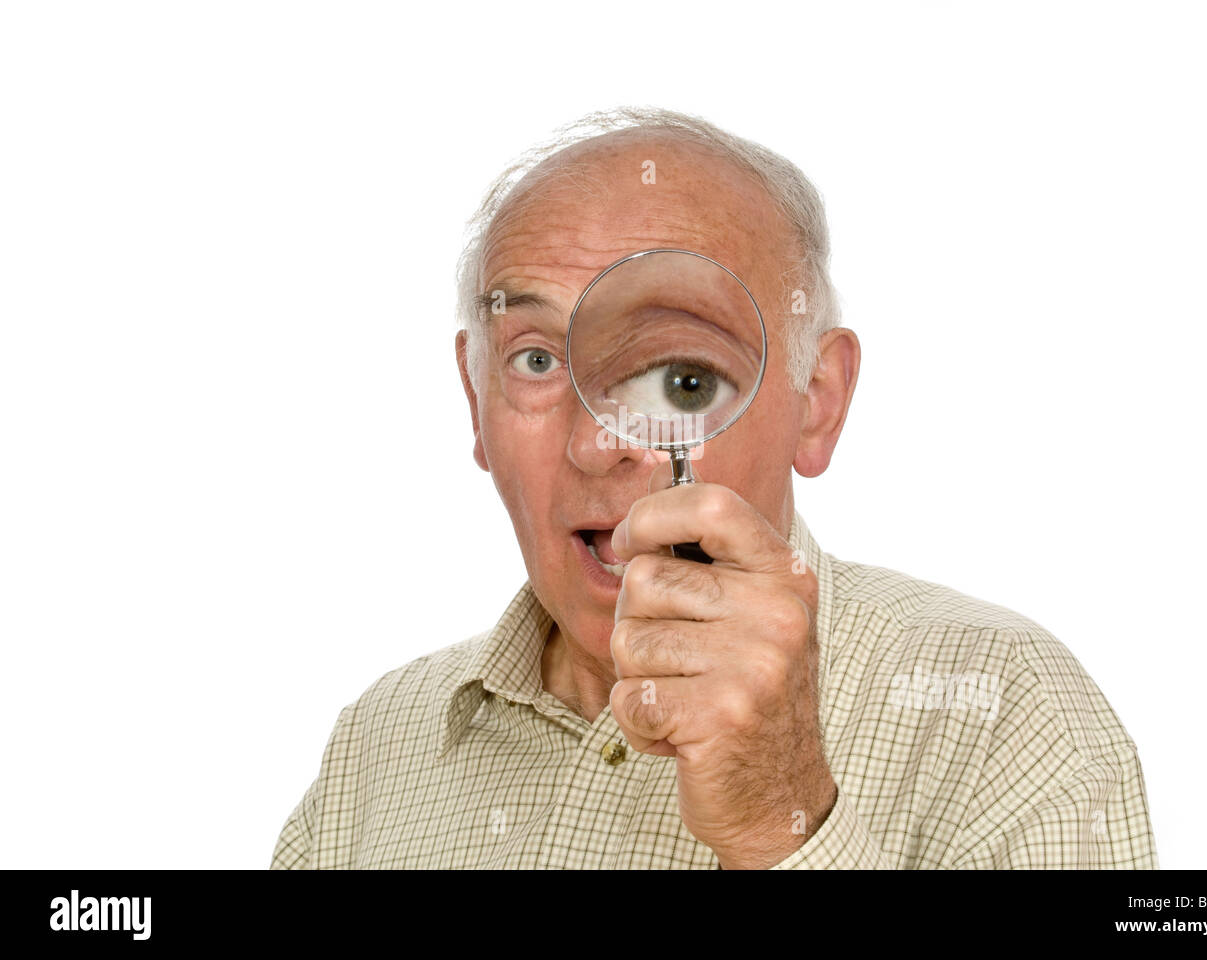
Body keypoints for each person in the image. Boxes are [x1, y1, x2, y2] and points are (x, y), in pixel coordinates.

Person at [271, 107, 1158, 869]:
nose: (596, 444)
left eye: (681, 380)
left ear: (817, 402)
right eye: (537, 362)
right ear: (476, 399)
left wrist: (784, 825)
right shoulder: (377, 746)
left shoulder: (1002, 705)